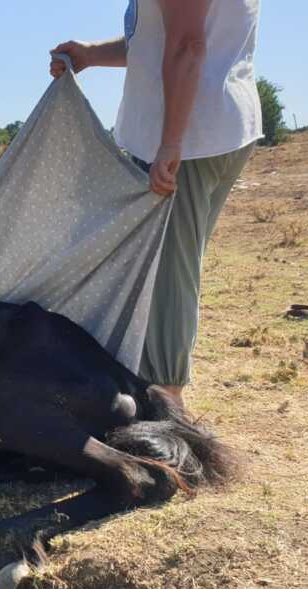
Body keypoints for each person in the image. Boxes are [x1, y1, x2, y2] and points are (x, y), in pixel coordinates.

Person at [51, 0, 262, 407]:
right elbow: (157, 38)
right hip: (210, 128)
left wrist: (170, 142)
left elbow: (186, 44)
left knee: (165, 271)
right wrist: (91, 55)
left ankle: (165, 403)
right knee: (169, 262)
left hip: (191, 134)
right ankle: (149, 387)